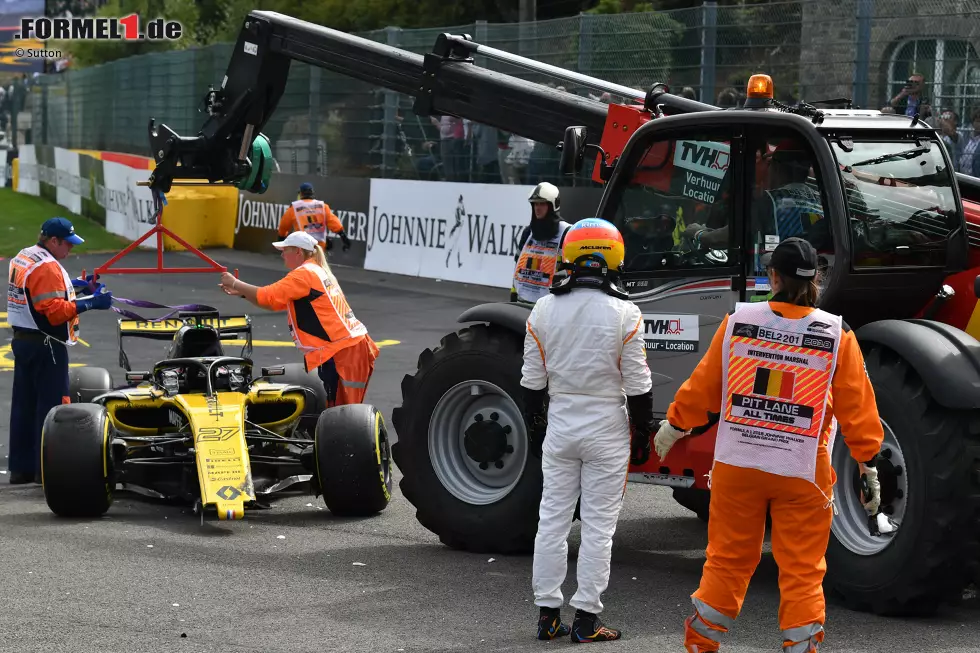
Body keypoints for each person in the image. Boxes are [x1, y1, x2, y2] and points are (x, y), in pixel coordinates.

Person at [652, 237, 885, 653]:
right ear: (817, 280)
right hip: (802, 470)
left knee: (726, 561)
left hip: (738, 462)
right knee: (801, 570)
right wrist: (868, 464)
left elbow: (704, 386)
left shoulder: (738, 321)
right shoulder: (837, 333)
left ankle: (701, 645)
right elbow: (857, 409)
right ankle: (801, 647)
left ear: (772, 276)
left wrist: (674, 426)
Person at [521, 218, 655, 642]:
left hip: (561, 425)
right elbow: (639, 387)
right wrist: (642, 436)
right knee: (599, 528)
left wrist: (539, 425)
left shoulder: (543, 307)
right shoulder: (626, 312)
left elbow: (531, 383)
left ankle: (547, 616)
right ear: (615, 257)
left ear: (569, 256)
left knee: (552, 522)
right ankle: (586, 620)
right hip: (608, 431)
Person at [6, 217, 113, 484]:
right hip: (47, 345)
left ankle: (22, 469)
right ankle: (48, 472)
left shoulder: (25, 256)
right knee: (53, 409)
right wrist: (91, 302)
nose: (71, 249)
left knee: (24, 406)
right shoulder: (48, 267)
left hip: (23, 341)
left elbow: (37, 291)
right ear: (53, 241)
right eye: (68, 244)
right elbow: (54, 313)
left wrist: (76, 286)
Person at [218, 231, 378, 406]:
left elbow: (268, 296)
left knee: (342, 413)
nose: (281, 254)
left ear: (298, 252)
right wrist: (242, 292)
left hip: (343, 352)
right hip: (349, 348)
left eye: (285, 250)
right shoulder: (314, 270)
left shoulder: (303, 275)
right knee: (341, 410)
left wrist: (235, 283)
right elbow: (275, 302)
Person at [511, 182, 573, 304]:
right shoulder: (528, 232)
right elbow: (517, 266)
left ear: (553, 205)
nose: (537, 208)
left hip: (551, 303)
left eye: (542, 204)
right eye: (535, 204)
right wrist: (513, 294)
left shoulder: (567, 233)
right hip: (522, 300)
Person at [277, 182, 352, 253]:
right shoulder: (322, 206)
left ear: (301, 194)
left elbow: (284, 225)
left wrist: (281, 238)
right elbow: (334, 222)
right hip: (319, 246)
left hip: (303, 245)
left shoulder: (294, 208)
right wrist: (343, 237)